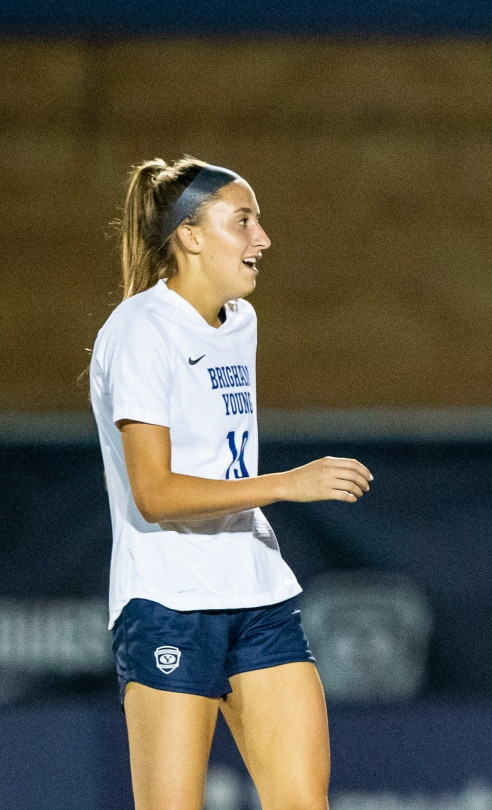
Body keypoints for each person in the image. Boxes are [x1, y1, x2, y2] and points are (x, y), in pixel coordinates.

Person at [90, 157, 374, 810]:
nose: (262, 239)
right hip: (168, 601)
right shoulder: (139, 331)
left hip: (258, 596)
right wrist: (284, 485)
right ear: (190, 235)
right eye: (243, 221)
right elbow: (154, 494)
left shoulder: (238, 320)